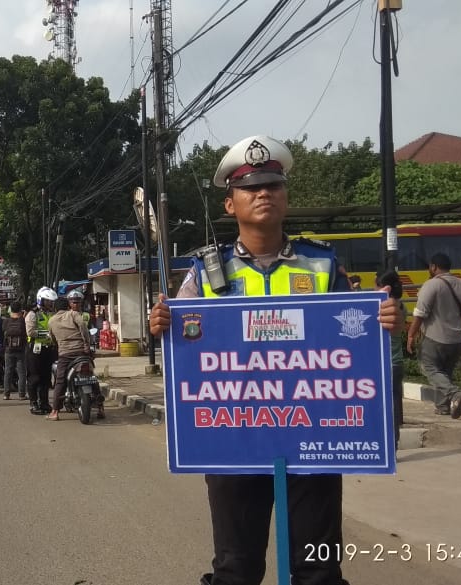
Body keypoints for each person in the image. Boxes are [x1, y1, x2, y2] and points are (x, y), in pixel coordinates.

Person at [147, 135, 404, 585]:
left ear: (286, 197)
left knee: (318, 571)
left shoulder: (323, 266)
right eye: (250, 188)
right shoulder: (205, 273)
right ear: (230, 204)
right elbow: (181, 347)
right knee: (235, 570)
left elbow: (357, 341)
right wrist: (161, 323)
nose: (263, 193)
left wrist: (383, 318)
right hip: (232, 444)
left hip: (314, 441)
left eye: (273, 185)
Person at [407, 252, 461, 418]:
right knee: (445, 373)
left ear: (433, 267)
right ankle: (442, 407)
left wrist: (411, 335)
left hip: (435, 338)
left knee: (429, 368)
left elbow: (420, 313)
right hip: (458, 340)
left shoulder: (431, 285)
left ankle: (455, 394)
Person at [47, 297, 98, 421]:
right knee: (92, 376)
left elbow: (52, 338)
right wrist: (86, 344)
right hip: (81, 352)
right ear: (68, 306)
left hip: (65, 355)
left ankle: (54, 411)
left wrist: (57, 344)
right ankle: (100, 407)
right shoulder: (74, 314)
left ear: (55, 308)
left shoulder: (51, 321)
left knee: (60, 381)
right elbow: (84, 329)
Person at [377, 271, 405, 449]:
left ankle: (386, 444)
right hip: (398, 362)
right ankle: (393, 443)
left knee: (383, 408)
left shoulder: (380, 308)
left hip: (383, 363)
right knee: (394, 405)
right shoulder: (401, 306)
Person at [25, 287, 58, 415]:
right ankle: (33, 403)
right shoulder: (33, 314)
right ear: (41, 300)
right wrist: (47, 335)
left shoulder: (52, 314)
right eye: (47, 301)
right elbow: (31, 332)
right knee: (34, 377)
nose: (50, 304)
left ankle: (44, 402)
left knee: (45, 378)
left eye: (51, 302)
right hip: (35, 350)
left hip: (48, 349)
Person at [3, 300, 28, 400]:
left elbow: (3, 332)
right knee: (21, 373)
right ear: (20, 309)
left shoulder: (6, 321)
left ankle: (6, 394)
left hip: (8, 349)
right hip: (20, 350)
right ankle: (22, 394)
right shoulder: (22, 321)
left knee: (8, 371)